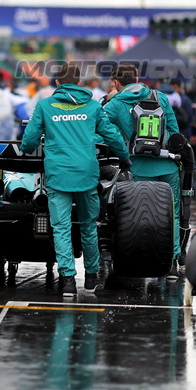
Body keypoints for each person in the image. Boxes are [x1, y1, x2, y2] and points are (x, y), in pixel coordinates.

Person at [20, 63, 130, 298]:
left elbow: (28, 141)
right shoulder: (92, 106)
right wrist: (125, 158)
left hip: (58, 176)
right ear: (79, 83)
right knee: (89, 227)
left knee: (61, 228)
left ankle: (68, 281)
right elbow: (112, 135)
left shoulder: (44, 106)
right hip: (87, 175)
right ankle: (90, 278)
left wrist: (29, 145)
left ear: (57, 83)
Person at [104, 63, 183, 274]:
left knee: (138, 215)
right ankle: (173, 262)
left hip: (137, 167)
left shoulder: (115, 104)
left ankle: (140, 260)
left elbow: (99, 129)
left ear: (117, 83)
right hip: (167, 165)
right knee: (171, 213)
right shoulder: (160, 97)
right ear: (137, 77)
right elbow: (175, 133)